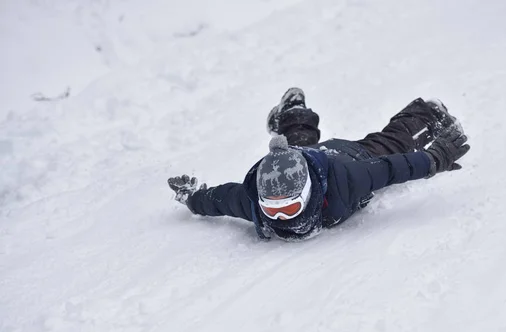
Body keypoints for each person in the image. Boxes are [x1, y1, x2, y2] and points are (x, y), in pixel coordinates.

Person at [168, 88, 470, 241]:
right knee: (297, 142)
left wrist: (432, 159)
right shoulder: (255, 204)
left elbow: (392, 168)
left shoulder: (348, 179)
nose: (283, 218)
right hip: (305, 155)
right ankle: (293, 110)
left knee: (390, 143)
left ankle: (428, 112)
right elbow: (220, 200)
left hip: (347, 155)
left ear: (307, 193)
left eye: (290, 207)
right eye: (274, 209)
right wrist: (193, 196)